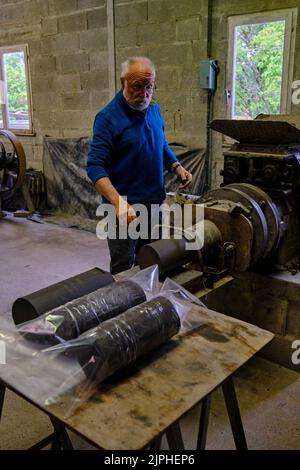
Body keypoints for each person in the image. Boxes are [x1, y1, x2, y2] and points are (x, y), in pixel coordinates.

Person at [87, 56, 192, 274]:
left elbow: (160, 143)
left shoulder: (154, 109)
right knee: (123, 267)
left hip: (153, 202)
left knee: (151, 260)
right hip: (123, 209)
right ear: (122, 82)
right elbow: (95, 167)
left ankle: (146, 305)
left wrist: (176, 166)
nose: (144, 94)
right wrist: (118, 203)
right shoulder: (107, 118)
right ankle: (122, 306)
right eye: (137, 86)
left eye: (149, 87)